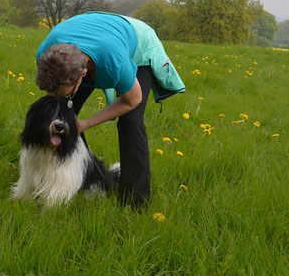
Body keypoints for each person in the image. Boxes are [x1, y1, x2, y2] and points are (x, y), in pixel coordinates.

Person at [35, 12, 185, 209]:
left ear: (82, 77)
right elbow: (53, 95)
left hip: (137, 43)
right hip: (93, 34)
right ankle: (81, 180)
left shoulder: (113, 61)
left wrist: (87, 123)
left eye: (60, 90)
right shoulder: (46, 54)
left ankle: (134, 202)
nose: (54, 94)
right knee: (62, 112)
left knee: (130, 122)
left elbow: (132, 100)